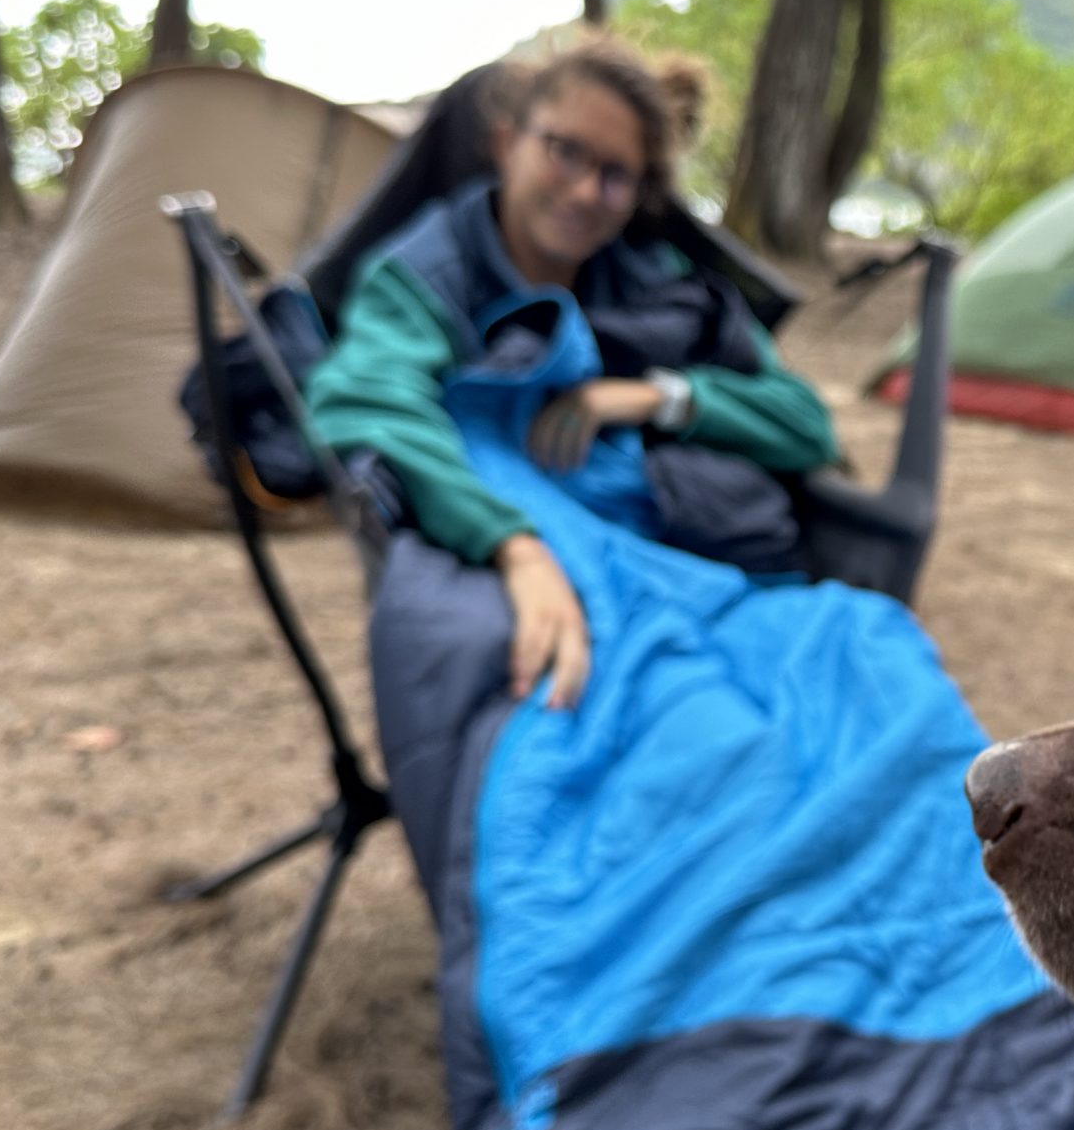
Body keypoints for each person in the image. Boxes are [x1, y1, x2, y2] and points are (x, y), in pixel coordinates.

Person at [307, 42, 840, 710]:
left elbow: (804, 423)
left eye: (616, 174)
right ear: (507, 142)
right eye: (566, 151)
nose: (587, 191)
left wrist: (656, 396)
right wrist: (516, 548)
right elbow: (368, 401)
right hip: (520, 566)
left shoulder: (658, 281)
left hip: (673, 564)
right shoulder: (424, 277)